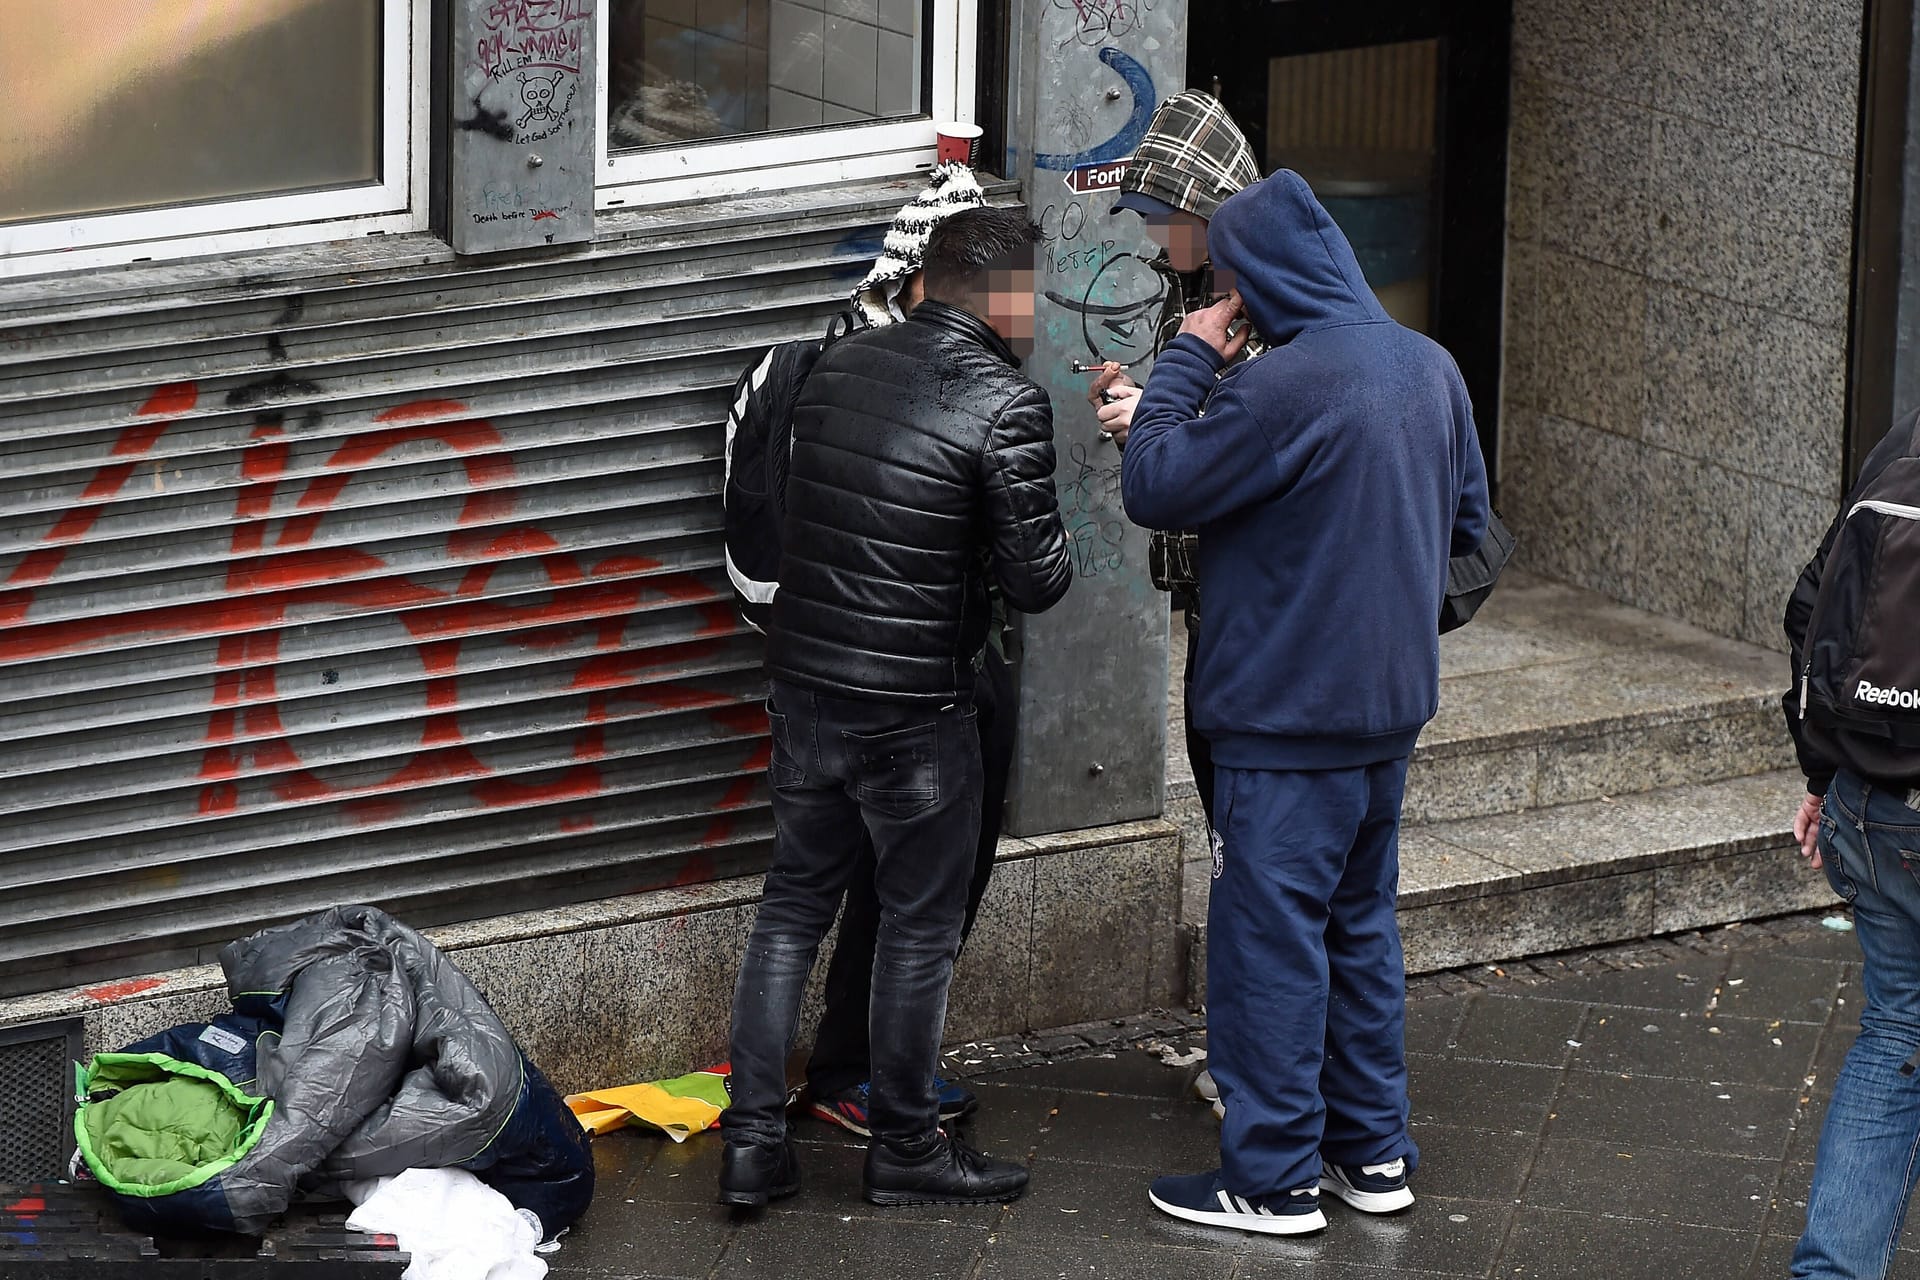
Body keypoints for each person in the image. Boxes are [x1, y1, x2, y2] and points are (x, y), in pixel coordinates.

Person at [1121, 171, 1488, 1235]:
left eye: (1235, 275)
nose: (1234, 292)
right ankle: (1373, 1152)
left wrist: (1194, 352)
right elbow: (1468, 523)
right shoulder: (1431, 367)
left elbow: (1155, 483)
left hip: (1283, 715)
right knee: (1359, 925)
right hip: (1388, 710)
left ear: (1262, 277)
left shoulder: (1283, 388)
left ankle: (1272, 1173)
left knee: (1272, 937)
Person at [719, 207, 1071, 1210]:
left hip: (805, 692)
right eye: (1030, 295)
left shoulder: (831, 369)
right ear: (1002, 297)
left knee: (791, 907)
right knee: (916, 929)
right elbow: (1038, 580)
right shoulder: (1006, 403)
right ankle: (907, 1145)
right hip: (916, 707)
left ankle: (751, 1146)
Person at [1087, 95, 1259, 1115]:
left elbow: (1246, 449)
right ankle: (1248, 1052)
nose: (1152, 232)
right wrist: (1141, 418)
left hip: (1256, 608)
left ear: (1210, 205)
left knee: (1259, 847)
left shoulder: (1264, 306)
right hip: (1210, 598)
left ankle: (1264, 1072)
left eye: (1162, 212)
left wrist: (1154, 418)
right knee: (1236, 832)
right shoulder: (1190, 287)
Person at [1784, 411, 1920, 1279]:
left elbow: (1812, 609)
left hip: (1876, 805)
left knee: (1897, 1030)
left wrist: (1824, 773)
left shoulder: (1902, 449)